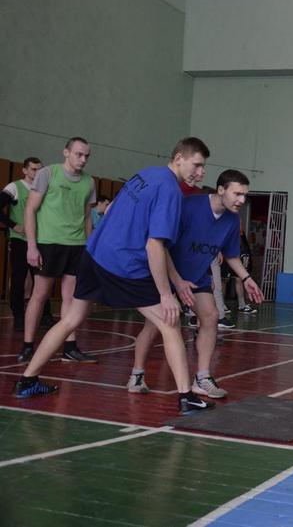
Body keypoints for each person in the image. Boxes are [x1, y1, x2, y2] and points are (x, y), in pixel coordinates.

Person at [13, 137, 216, 415]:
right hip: (124, 265)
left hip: (94, 254)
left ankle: (27, 381)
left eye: (204, 168)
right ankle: (186, 398)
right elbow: (154, 245)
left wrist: (177, 280)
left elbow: (141, 231)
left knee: (71, 318)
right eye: (197, 165)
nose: (201, 173)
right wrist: (166, 294)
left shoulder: (147, 174)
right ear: (179, 157)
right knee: (170, 322)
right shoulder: (169, 190)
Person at [127, 169, 263, 398]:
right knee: (155, 327)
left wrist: (246, 278)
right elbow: (162, 246)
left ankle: (202, 377)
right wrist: (175, 282)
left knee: (210, 316)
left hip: (198, 276)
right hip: (170, 274)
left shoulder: (232, 220)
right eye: (238, 194)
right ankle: (137, 373)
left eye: (244, 195)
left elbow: (230, 255)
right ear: (221, 190)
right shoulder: (189, 207)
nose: (242, 200)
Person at [19, 138, 97, 364]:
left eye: (86, 156)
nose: (83, 159)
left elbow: (87, 217)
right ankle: (27, 346)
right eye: (79, 154)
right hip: (49, 243)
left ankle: (70, 347)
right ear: (66, 152)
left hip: (77, 246)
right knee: (40, 295)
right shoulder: (48, 173)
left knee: (71, 298)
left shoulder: (89, 182)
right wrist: (32, 246)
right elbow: (30, 209)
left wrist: (89, 246)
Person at [0, 157, 55, 332]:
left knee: (43, 280)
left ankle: (46, 317)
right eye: (33, 169)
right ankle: (18, 317)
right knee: (18, 279)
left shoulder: (45, 189)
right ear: (24, 170)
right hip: (20, 241)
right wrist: (13, 225)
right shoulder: (14, 187)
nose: (37, 172)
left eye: (40, 169)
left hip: (41, 241)